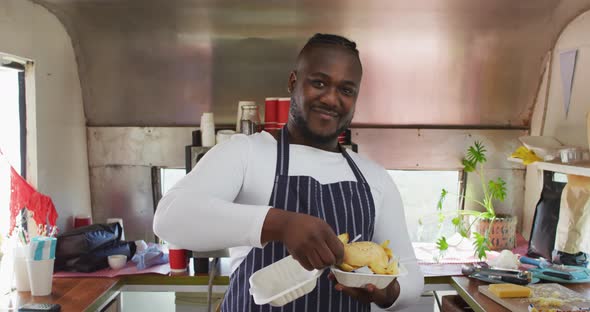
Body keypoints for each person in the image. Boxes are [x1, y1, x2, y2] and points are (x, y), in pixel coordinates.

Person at [153, 33, 423, 311]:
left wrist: (387, 293)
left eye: (346, 90)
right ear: (293, 82)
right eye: (319, 83)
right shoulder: (246, 154)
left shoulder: (374, 177)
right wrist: (279, 223)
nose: (331, 99)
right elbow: (169, 218)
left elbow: (411, 273)